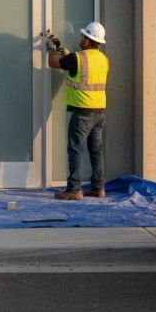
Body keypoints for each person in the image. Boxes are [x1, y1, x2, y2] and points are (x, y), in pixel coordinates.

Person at [47, 21, 109, 201]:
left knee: (75, 149)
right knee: (96, 151)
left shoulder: (77, 58)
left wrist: (51, 48)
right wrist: (65, 53)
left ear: (89, 40)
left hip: (83, 112)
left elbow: (53, 63)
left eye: (83, 36)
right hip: (99, 112)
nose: (80, 38)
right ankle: (98, 188)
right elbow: (80, 69)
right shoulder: (103, 59)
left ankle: (74, 189)